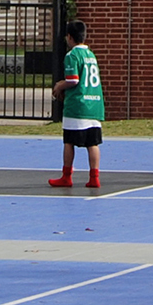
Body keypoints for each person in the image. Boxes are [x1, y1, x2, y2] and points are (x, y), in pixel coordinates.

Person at [48, 19, 104, 189]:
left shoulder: (72, 55)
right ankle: (94, 177)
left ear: (70, 37)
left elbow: (73, 80)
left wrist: (60, 85)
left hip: (77, 106)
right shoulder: (91, 55)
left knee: (69, 142)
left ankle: (66, 176)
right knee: (92, 143)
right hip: (94, 105)